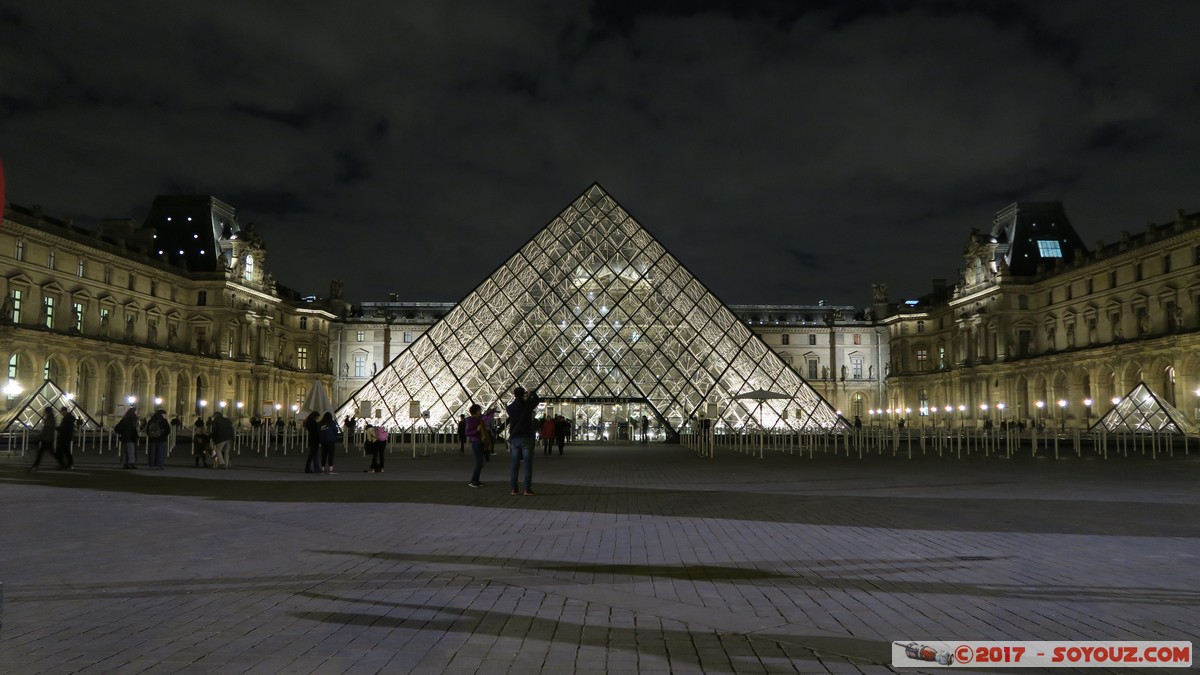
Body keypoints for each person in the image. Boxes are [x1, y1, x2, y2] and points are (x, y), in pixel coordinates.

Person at [506, 387, 540, 496]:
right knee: (527, 464)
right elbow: (537, 400)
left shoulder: (510, 408)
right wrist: (532, 393)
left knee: (514, 464)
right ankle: (527, 489)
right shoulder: (527, 405)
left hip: (515, 438)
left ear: (514, 394)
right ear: (523, 394)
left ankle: (514, 489)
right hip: (526, 437)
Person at [466, 404, 496, 487]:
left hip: (481, 441)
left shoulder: (480, 418)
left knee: (481, 462)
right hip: (476, 442)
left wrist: (493, 411)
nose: (481, 412)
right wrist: (477, 430)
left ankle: (476, 480)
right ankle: (473, 481)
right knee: (479, 462)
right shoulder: (470, 420)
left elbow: (487, 417)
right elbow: (467, 433)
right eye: (479, 410)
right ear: (475, 412)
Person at [28, 406, 58, 472]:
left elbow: (45, 430)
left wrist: (38, 438)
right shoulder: (51, 418)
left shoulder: (49, 419)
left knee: (41, 453)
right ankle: (62, 463)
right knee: (50, 452)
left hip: (47, 439)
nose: (44, 413)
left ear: (47, 412)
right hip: (48, 439)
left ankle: (35, 466)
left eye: (45, 411)